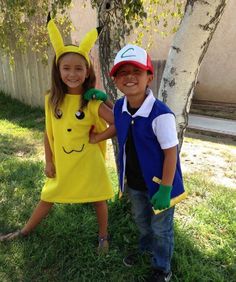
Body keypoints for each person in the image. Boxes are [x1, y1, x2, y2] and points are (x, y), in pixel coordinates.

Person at [0, 14, 115, 253]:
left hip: (88, 161)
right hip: (63, 162)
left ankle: (103, 237)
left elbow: (120, 123)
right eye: (66, 68)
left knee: (98, 198)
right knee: (48, 196)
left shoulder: (91, 102)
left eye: (78, 68)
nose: (72, 74)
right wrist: (49, 161)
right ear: (57, 70)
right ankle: (24, 231)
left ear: (87, 71)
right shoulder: (51, 100)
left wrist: (98, 136)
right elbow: (48, 133)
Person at [109, 44, 187, 281]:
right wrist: (100, 100)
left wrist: (165, 189)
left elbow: (171, 154)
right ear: (115, 80)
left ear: (149, 77)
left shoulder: (161, 114)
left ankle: (162, 268)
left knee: (161, 229)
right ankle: (146, 248)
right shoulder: (120, 106)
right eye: (123, 72)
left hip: (160, 186)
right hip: (134, 183)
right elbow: (114, 122)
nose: (129, 77)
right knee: (142, 221)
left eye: (137, 71)